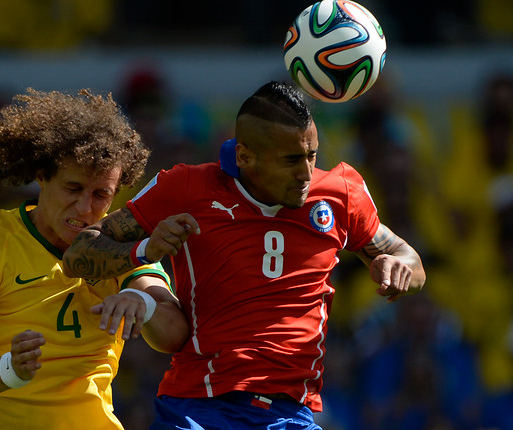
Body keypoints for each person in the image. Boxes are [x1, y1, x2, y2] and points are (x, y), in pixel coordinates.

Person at [63, 81, 426, 429]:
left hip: (291, 414)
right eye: (290, 160)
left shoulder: (341, 193)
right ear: (244, 156)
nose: (305, 173)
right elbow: (80, 252)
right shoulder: (187, 187)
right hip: (200, 406)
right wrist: (143, 249)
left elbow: (410, 259)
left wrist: (399, 266)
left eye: (311, 156)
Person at [0, 88, 188, 430]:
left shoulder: (122, 247)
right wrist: (10, 369)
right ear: (42, 176)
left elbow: (174, 335)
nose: (85, 209)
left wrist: (142, 299)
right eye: (72, 189)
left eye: (101, 195)